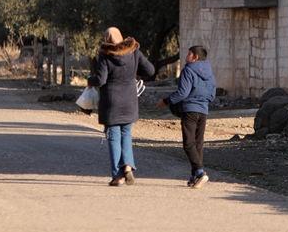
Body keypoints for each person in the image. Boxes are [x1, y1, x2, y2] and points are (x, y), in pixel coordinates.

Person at [88, 27, 154, 187]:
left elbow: (101, 79)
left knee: (113, 138)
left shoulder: (105, 54)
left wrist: (90, 80)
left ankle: (118, 177)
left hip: (111, 102)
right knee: (126, 135)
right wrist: (134, 70)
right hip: (130, 101)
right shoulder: (134, 52)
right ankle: (128, 166)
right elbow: (150, 70)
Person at [156, 45, 216, 189]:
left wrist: (166, 101)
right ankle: (194, 176)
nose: (186, 57)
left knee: (188, 143)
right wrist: (202, 101)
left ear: (195, 57)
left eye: (189, 54)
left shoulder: (188, 70)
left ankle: (200, 172)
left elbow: (183, 92)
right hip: (203, 110)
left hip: (190, 110)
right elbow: (212, 94)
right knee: (198, 143)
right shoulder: (209, 72)